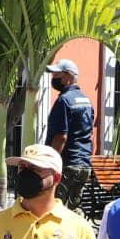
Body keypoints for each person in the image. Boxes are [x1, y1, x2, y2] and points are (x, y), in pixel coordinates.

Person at [45, 59, 96, 212]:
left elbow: (61, 137)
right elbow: (90, 135)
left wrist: (51, 162)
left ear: (68, 76)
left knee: (58, 210)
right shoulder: (86, 101)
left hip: (67, 165)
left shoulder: (64, 101)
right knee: (74, 210)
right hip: (83, 165)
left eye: (56, 74)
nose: (53, 77)